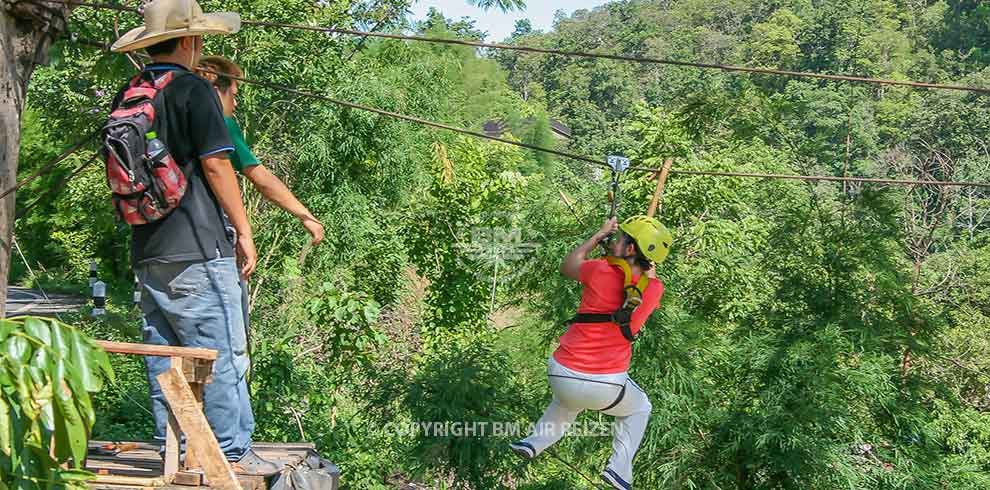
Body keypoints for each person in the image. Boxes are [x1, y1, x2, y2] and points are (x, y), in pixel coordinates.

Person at [109, 0, 277, 474]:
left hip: (147, 248)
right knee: (219, 354)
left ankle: (176, 452)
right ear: (190, 40)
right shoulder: (191, 90)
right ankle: (231, 456)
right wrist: (244, 231)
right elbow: (217, 164)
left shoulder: (134, 91)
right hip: (199, 249)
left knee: (166, 358)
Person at [509, 216, 673, 490]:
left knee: (567, 402)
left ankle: (534, 442)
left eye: (619, 238)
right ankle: (618, 470)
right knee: (640, 407)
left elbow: (568, 265)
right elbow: (648, 278)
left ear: (630, 249)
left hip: (561, 373)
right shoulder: (655, 290)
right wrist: (643, 259)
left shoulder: (598, 270)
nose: (613, 241)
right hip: (605, 385)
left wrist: (598, 235)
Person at [194, 55, 324, 334]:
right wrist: (305, 216)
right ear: (217, 89)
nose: (236, 102)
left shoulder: (169, 112)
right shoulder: (219, 123)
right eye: (234, 94)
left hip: (157, 252)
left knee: (179, 352)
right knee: (224, 348)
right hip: (207, 249)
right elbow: (260, 177)